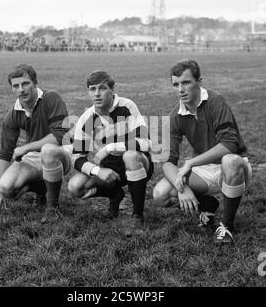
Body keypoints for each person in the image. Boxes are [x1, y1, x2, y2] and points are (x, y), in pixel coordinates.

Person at [153, 59, 252, 244]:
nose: (180, 89)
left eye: (186, 82)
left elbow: (230, 144)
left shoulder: (216, 101)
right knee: (161, 194)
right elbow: (166, 161)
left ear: (200, 81)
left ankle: (227, 227)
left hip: (234, 167)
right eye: (176, 84)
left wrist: (190, 163)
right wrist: (181, 188)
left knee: (230, 161)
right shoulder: (174, 116)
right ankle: (207, 205)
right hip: (205, 171)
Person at [43, 70, 153, 235]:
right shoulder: (86, 118)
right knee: (75, 187)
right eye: (92, 89)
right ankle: (115, 193)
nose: (97, 94)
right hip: (108, 170)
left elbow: (146, 143)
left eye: (102, 88)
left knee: (130, 155)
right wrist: (97, 170)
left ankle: (137, 216)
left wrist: (109, 148)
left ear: (112, 89)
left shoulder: (127, 106)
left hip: (137, 163)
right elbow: (77, 158)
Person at [0, 64, 71, 223]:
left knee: (48, 150)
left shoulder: (51, 98)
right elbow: (5, 153)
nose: (21, 89)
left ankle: (52, 207)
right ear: (12, 89)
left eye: (25, 83)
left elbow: (60, 135)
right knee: (6, 188)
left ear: (35, 83)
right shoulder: (13, 115)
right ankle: (42, 188)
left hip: (61, 151)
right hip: (35, 156)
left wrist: (26, 147)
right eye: (16, 86)